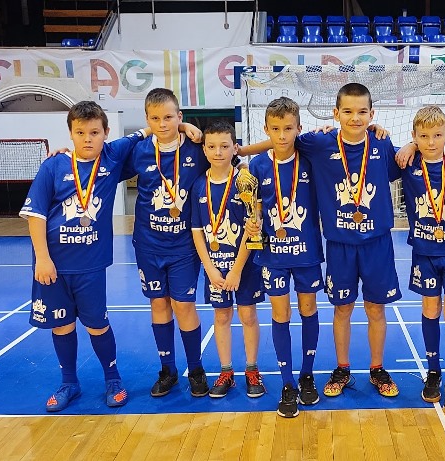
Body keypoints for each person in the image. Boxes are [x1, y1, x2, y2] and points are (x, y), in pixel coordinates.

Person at [240, 83, 402, 398]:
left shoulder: (382, 144)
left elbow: (410, 161)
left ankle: (377, 368)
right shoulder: (319, 142)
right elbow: (282, 138)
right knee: (342, 309)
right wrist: (241, 152)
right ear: (335, 113)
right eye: (348, 111)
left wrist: (407, 145)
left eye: (362, 112)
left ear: (372, 114)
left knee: (376, 310)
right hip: (339, 244)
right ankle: (342, 368)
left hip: (377, 243)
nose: (355, 118)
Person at [20, 101, 149, 412]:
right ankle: (69, 383)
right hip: (53, 265)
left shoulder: (112, 157)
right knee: (61, 325)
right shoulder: (53, 166)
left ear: (106, 133)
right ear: (70, 133)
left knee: (97, 325)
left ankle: (113, 380)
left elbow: (148, 132)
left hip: (90, 266)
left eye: (94, 132)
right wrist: (42, 258)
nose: (88, 138)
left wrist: (184, 126)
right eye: (80, 132)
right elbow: (35, 215)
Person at [125, 88, 211, 398]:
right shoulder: (138, 151)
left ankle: (196, 369)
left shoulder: (196, 149)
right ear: (147, 120)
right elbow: (101, 163)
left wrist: (190, 130)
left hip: (184, 246)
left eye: (169, 117)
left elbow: (226, 160)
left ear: (180, 116)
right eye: (155, 118)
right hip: (148, 245)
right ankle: (168, 370)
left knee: (184, 305)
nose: (162, 124)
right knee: (158, 304)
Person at [245, 97, 325, 417]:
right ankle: (288, 383)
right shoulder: (257, 166)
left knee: (308, 309)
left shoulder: (310, 159)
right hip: (273, 255)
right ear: (266, 129)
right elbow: (254, 209)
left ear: (298, 128)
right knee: (281, 314)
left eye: (288, 128)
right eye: (275, 129)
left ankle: (307, 375)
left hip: (306, 252)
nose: (282, 135)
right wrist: (253, 226)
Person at [396, 106, 445, 414]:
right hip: (424, 253)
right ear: (414, 136)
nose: (430, 142)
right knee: (430, 309)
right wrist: (408, 146)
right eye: (423, 136)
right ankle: (434, 371)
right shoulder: (408, 162)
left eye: (437, 135)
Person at [190, 121, 266, 399]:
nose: (218, 152)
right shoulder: (199, 185)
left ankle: (252, 369)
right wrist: (210, 269)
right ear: (204, 149)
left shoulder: (245, 182)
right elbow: (197, 232)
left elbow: (252, 229)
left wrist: (236, 270)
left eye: (224, 146)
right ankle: (226, 371)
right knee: (221, 316)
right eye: (211, 146)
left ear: (235, 148)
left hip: (244, 266)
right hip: (215, 267)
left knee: (247, 315)